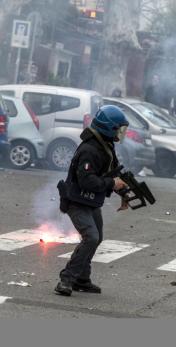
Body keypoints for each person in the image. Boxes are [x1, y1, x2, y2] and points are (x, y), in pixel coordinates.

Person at [55, 106, 130, 296]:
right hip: (76, 201)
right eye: (119, 129)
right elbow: (86, 180)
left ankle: (82, 279)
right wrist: (112, 183)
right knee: (91, 237)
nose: (121, 134)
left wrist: (124, 194)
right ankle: (66, 279)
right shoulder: (90, 149)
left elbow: (112, 173)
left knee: (96, 239)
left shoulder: (105, 145)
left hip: (91, 202)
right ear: (108, 127)